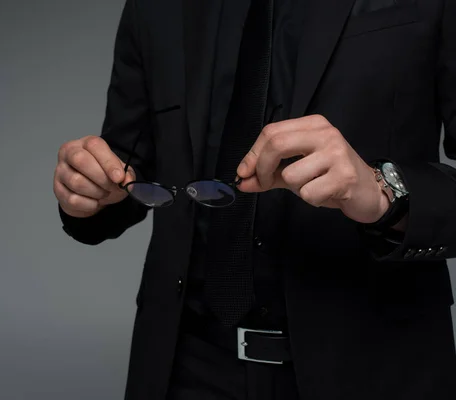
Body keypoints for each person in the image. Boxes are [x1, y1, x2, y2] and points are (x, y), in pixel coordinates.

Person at [53, 0, 456, 399]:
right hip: (184, 366)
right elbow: (127, 168)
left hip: (374, 366)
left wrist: (386, 191)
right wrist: (88, 188)